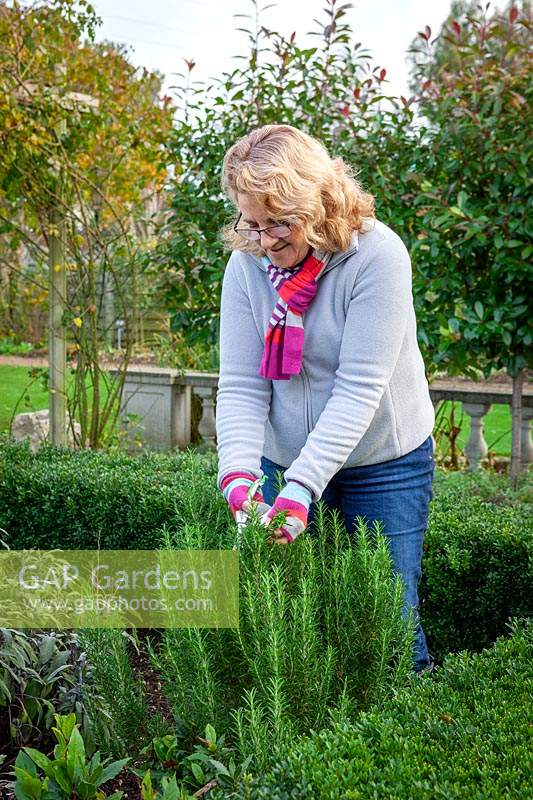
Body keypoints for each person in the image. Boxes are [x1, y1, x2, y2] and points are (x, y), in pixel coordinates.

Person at [215, 123, 436, 675]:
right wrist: (240, 476)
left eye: (279, 223)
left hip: (382, 464)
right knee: (289, 628)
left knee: (387, 624)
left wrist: (301, 489)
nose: (265, 240)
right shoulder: (247, 263)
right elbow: (242, 383)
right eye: (253, 223)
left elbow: (359, 387)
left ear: (315, 204)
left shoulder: (377, 255)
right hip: (283, 458)